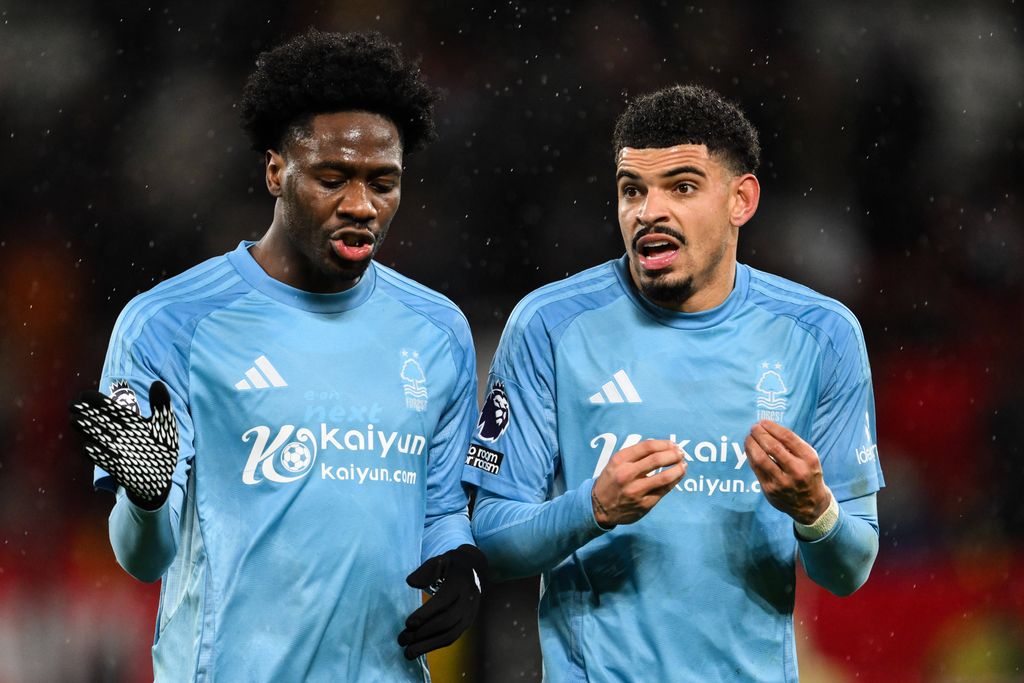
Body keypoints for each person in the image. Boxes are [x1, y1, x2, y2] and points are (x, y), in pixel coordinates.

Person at [69, 30, 486, 681]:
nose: (360, 205)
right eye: (332, 178)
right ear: (274, 171)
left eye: (383, 183)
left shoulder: (437, 331)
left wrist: (462, 564)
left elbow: (439, 511)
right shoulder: (170, 325)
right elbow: (142, 558)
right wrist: (146, 499)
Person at [463, 84, 884, 682]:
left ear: (741, 200)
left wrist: (815, 511)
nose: (648, 211)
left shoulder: (822, 335)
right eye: (632, 189)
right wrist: (594, 508)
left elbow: (849, 570)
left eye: (681, 187)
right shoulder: (549, 325)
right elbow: (491, 539)